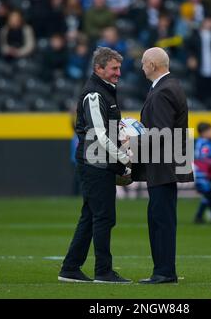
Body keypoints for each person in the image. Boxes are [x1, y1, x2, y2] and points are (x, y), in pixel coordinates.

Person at [59, 47, 132, 284]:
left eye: (119, 68)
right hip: (94, 163)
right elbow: (99, 135)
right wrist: (123, 158)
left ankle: (70, 268)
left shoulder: (105, 91)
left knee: (91, 216)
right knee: (104, 217)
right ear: (98, 69)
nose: (118, 73)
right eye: (114, 68)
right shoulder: (94, 94)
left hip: (99, 161)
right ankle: (104, 271)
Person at [132, 47, 194, 284]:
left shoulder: (162, 91)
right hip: (167, 165)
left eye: (144, 63)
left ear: (153, 65)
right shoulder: (171, 86)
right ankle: (165, 270)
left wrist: (132, 141)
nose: (141, 67)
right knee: (161, 218)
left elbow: (161, 132)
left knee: (161, 221)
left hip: (162, 166)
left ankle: (164, 272)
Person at [193, 122, 211, 224]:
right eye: (209, 131)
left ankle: (199, 216)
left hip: (202, 174)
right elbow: (203, 158)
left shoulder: (200, 142)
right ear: (203, 132)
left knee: (207, 196)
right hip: (203, 174)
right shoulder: (204, 144)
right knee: (209, 196)